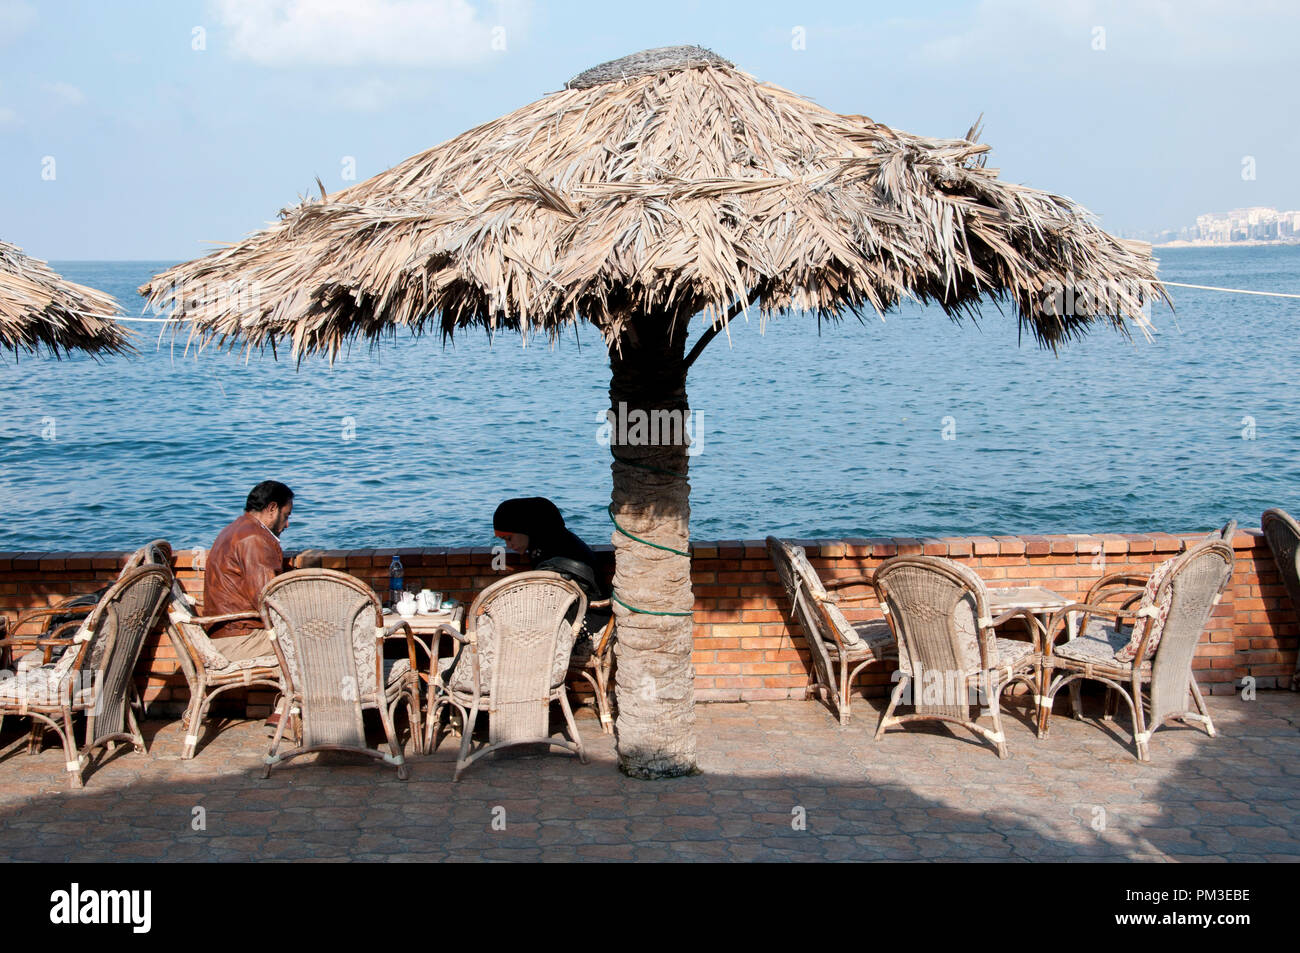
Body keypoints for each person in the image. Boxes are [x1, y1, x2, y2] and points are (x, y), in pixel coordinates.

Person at [492, 497, 611, 651]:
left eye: (509, 538)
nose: (508, 546)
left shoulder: (556, 561)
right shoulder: (560, 544)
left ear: (528, 529)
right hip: (591, 619)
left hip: (585, 628)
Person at [205, 480, 294, 662]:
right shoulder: (254, 539)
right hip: (240, 639)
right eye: (286, 516)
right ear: (272, 508)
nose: (287, 525)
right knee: (320, 641)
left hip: (227, 635)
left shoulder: (235, 529)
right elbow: (267, 600)